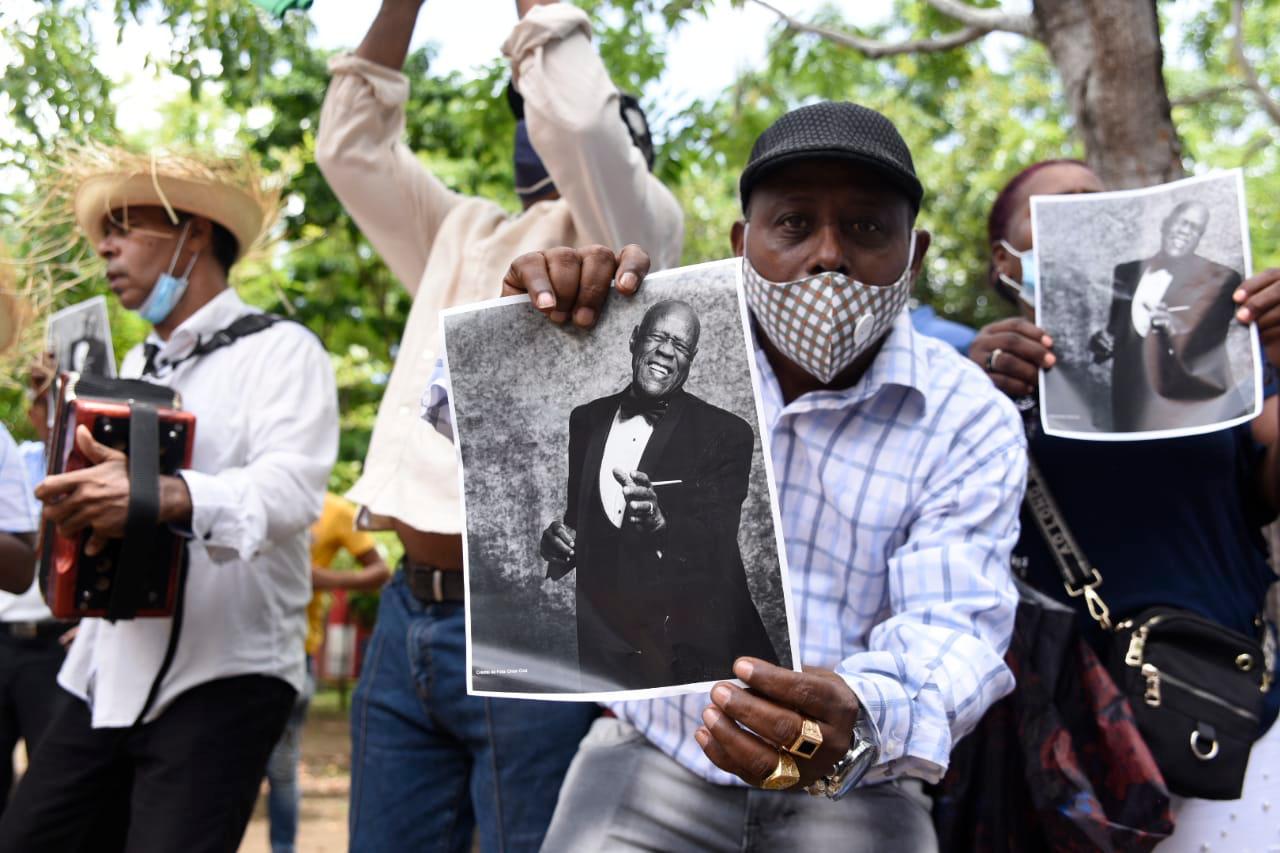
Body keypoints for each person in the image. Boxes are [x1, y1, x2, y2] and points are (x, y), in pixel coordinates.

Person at [429, 101, 1025, 851]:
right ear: (743, 242)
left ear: (917, 252)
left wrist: (861, 716)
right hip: (655, 754)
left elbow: (953, 624)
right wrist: (531, 332)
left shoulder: (968, 414)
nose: (829, 256)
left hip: (851, 781)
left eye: (868, 227)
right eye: (794, 224)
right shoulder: (637, 348)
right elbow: (473, 422)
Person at [314, 0, 682, 848]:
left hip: (536, 612)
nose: (535, 127)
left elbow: (584, 122)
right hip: (408, 611)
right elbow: (350, 148)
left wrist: (535, 20)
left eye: (538, 103)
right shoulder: (460, 231)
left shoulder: (643, 237)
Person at [0, 145, 338, 853]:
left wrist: (162, 495)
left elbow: (290, 490)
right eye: (105, 229)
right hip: (108, 670)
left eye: (127, 225)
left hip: (226, 675)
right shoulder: (127, 369)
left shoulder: (283, 351)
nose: (105, 245)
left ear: (195, 232)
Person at [967, 159, 1280, 851]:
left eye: (1102, 205)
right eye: (1065, 206)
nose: (1089, 215)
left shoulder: (1217, 355)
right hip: (1060, 743)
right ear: (1006, 258)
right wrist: (974, 393)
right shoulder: (970, 382)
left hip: (1229, 713)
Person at [540, 299, 777, 691]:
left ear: (692, 359)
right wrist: (559, 541)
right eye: (658, 337)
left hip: (690, 647)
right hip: (604, 649)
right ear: (635, 340)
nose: (667, 351)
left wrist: (660, 522)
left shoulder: (728, 433)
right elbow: (580, 522)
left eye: (681, 346)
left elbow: (717, 538)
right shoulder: (585, 420)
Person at [264, 492, 390, 853]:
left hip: (294, 652)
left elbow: (381, 571)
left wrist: (320, 578)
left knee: (282, 768)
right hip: (230, 652)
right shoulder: (251, 489)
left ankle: (283, 848)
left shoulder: (336, 511)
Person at [1088, 200, 1248, 431]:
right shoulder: (1125, 272)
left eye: (1195, 229)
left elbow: (1212, 348)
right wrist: (1101, 342)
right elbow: (1116, 333)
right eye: (1182, 222)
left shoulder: (1221, 278)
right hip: (1130, 406)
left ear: (1199, 238)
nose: (1186, 231)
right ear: (1165, 224)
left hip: (1192, 410)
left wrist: (1176, 330)